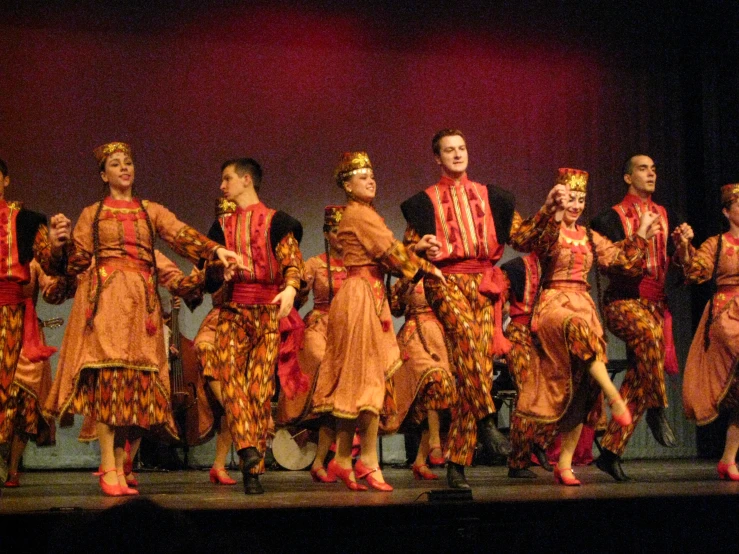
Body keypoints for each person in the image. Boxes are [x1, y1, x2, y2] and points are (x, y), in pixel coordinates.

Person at [39, 142, 241, 496]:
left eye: (128, 162)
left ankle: (120, 464)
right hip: (108, 302)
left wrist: (215, 250)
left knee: (132, 388)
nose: (124, 169)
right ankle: (108, 465)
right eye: (115, 165)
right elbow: (75, 263)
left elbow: (179, 233)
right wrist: (59, 246)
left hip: (142, 306)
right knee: (109, 384)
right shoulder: (93, 213)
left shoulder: (150, 212)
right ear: (104, 175)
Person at [400, 129, 564, 489]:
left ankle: (456, 464)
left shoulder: (494, 198)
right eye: (449, 150)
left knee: (470, 372)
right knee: (468, 345)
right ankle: (488, 420)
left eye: (461, 148)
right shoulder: (423, 203)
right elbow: (405, 255)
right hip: (445, 281)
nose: (457, 154)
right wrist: (417, 251)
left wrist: (550, 211)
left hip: (484, 287)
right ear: (437, 159)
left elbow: (523, 239)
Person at [312, 151, 444, 492]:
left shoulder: (362, 214)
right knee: (368, 379)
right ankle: (366, 460)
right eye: (362, 175)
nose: (371, 179)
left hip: (366, 293)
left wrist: (413, 252)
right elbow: (391, 254)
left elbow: (390, 253)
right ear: (347, 184)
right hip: (360, 297)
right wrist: (425, 265)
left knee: (362, 379)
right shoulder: (359, 214)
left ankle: (345, 459)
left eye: (372, 174)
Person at [520, 168, 659, 486]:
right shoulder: (550, 231)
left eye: (581, 199)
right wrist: (548, 209)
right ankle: (615, 397)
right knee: (578, 333)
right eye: (571, 198)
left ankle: (564, 463)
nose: (576, 204)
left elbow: (619, 261)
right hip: (555, 305)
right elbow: (531, 238)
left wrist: (641, 237)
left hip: (584, 306)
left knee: (585, 388)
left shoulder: (588, 236)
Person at [205, 157, 306, 495]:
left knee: (260, 391)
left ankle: (254, 466)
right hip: (233, 311)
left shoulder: (278, 222)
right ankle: (248, 452)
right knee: (230, 382)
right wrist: (221, 272)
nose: (222, 185)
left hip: (266, 312)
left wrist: (290, 288)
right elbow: (209, 274)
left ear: (246, 180)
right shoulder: (220, 227)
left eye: (227, 178)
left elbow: (293, 262)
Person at [590, 154, 680, 481]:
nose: (651, 173)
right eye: (643, 168)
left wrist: (684, 251)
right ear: (628, 177)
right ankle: (657, 407)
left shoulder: (666, 215)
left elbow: (681, 271)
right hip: (624, 300)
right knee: (649, 340)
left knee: (642, 374)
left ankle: (612, 451)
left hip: (655, 304)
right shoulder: (609, 219)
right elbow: (619, 267)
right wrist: (640, 234)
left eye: (654, 168)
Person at [275, 205, 347, 483]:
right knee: (321, 360)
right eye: (338, 232)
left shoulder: (356, 266)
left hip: (348, 329)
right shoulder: (316, 264)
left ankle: (326, 459)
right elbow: (297, 293)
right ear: (328, 235)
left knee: (345, 394)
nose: (343, 237)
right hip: (321, 324)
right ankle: (307, 419)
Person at [674, 183, 739, 481]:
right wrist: (685, 248)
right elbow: (694, 273)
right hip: (728, 314)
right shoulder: (718, 243)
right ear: (726, 211)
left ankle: (728, 459)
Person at [0, 157, 52, 485]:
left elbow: (50, 273)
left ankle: (14, 466)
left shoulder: (26, 224)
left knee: (21, 395)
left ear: (5, 181)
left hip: (19, 318)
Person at [2, 260, 72, 487]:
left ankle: (13, 468)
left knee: (24, 403)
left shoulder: (33, 261)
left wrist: (62, 273)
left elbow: (52, 293)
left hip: (27, 335)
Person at [383, 277, 456, 481]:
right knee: (434, 379)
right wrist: (405, 283)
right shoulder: (407, 278)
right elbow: (395, 308)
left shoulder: (443, 277)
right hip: (415, 337)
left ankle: (420, 460)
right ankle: (434, 442)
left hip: (440, 338)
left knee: (437, 398)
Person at [500, 253, 556, 478]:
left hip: (545, 335)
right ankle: (517, 462)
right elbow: (498, 304)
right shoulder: (516, 267)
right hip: (520, 333)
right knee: (527, 393)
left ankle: (540, 441)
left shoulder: (557, 267)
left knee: (560, 388)